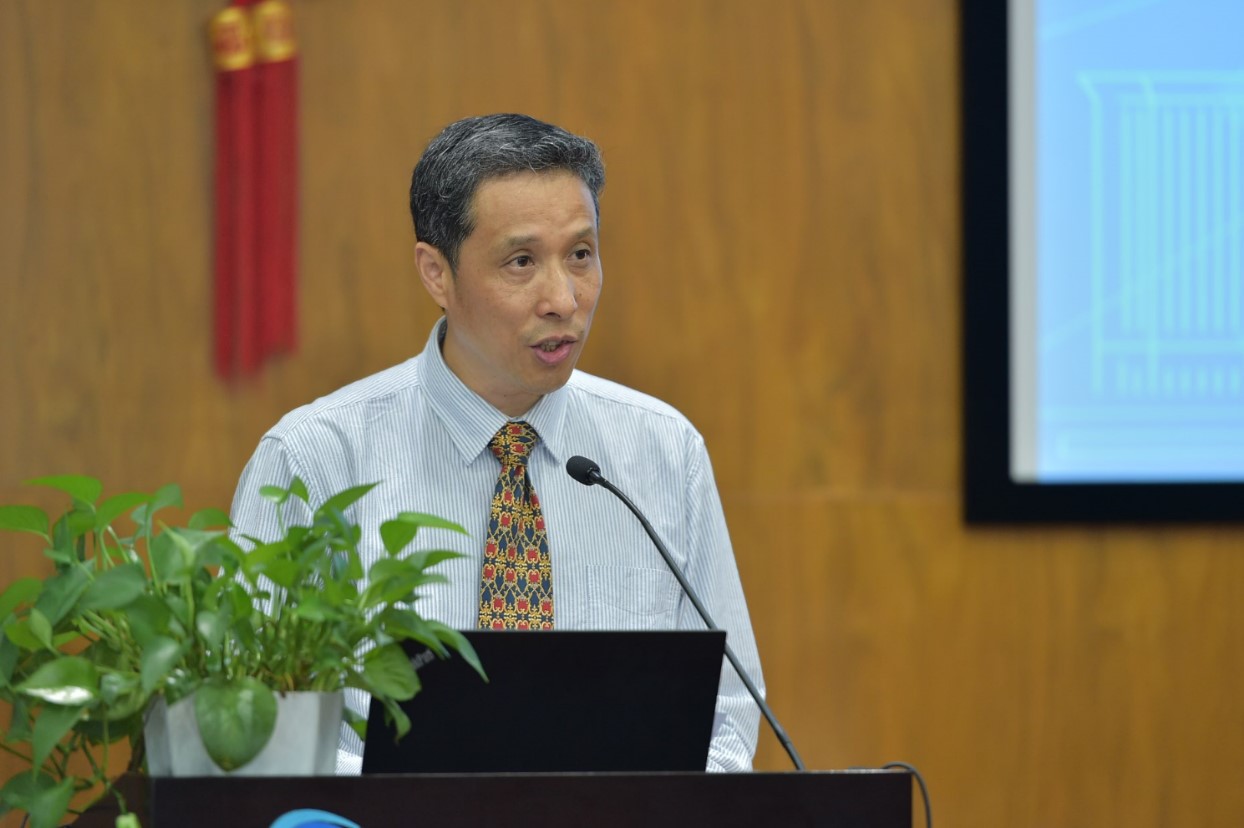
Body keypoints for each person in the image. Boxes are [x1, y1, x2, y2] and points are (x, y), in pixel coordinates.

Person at [229, 113, 763, 773]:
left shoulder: (663, 452)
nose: (563, 299)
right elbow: (248, 723)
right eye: (521, 262)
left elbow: (727, 720)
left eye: (581, 255)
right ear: (436, 273)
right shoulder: (315, 459)